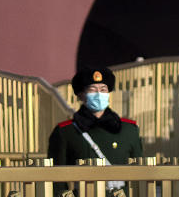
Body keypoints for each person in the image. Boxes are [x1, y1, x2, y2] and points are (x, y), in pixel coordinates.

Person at [47, 66, 142, 196]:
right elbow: (57, 178)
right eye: (92, 90)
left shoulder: (129, 130)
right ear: (81, 95)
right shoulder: (66, 132)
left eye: (103, 90)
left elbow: (140, 172)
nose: (99, 94)